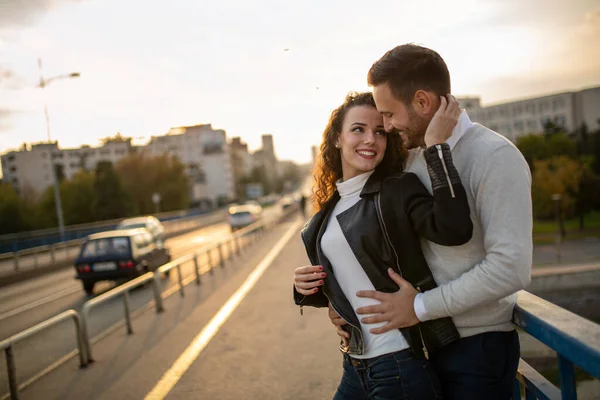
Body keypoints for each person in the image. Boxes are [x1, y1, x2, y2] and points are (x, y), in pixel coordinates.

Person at [328, 44, 533, 400]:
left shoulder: (495, 156)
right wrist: (336, 300)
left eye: (389, 115)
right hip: (422, 344)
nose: (387, 127)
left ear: (422, 102)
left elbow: (510, 269)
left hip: (477, 349)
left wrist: (419, 307)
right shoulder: (409, 158)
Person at [293, 91, 473, 400]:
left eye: (379, 132)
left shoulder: (396, 189)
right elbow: (352, 282)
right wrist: (305, 286)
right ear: (337, 138)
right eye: (358, 129)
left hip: (400, 363)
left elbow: (454, 229)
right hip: (355, 365)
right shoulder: (326, 214)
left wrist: (437, 148)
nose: (370, 140)